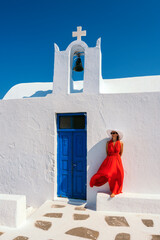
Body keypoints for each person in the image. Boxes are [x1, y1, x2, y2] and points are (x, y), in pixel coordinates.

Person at [90, 129, 124, 198]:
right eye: (112, 133)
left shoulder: (121, 143)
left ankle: (114, 191)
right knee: (107, 173)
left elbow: (120, 153)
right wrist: (111, 158)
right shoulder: (108, 143)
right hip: (109, 159)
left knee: (118, 175)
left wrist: (116, 158)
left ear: (117, 134)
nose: (113, 134)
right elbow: (107, 152)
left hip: (117, 160)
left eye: (114, 133)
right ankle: (95, 181)